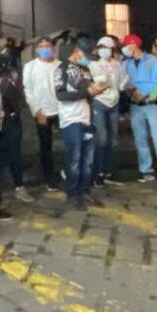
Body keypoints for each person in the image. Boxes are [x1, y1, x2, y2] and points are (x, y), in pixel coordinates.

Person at [121, 34, 157, 183]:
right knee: (140, 140)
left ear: (134, 45)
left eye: (127, 45)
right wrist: (132, 92)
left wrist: (146, 95)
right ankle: (146, 170)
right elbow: (123, 82)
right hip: (135, 106)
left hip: (153, 105)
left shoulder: (153, 60)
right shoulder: (126, 63)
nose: (125, 49)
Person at [54, 39, 102, 210]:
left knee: (88, 159)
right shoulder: (62, 69)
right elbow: (61, 95)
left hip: (87, 117)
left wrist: (96, 90)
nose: (88, 59)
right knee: (74, 158)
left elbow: (88, 88)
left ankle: (85, 190)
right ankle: (72, 193)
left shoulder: (86, 69)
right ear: (77, 51)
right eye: (86, 56)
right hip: (71, 119)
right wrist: (85, 92)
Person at [0, 49, 29, 221]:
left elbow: (18, 102)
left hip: (3, 124)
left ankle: (16, 187)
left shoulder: (10, 78)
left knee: (5, 160)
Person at [22, 37, 61, 191]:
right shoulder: (30, 67)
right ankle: (49, 177)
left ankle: (68, 172)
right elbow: (28, 90)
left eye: (47, 46)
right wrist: (37, 110)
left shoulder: (59, 65)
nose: (45, 49)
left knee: (71, 143)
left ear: (53, 48)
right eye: (41, 46)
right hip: (42, 111)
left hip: (61, 110)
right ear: (37, 49)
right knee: (46, 145)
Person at [89, 36, 125, 187]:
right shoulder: (93, 65)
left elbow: (121, 83)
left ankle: (109, 171)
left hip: (114, 104)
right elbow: (94, 84)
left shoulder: (118, 64)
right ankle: (98, 172)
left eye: (107, 47)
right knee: (101, 139)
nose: (104, 50)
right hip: (100, 103)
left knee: (114, 140)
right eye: (101, 47)